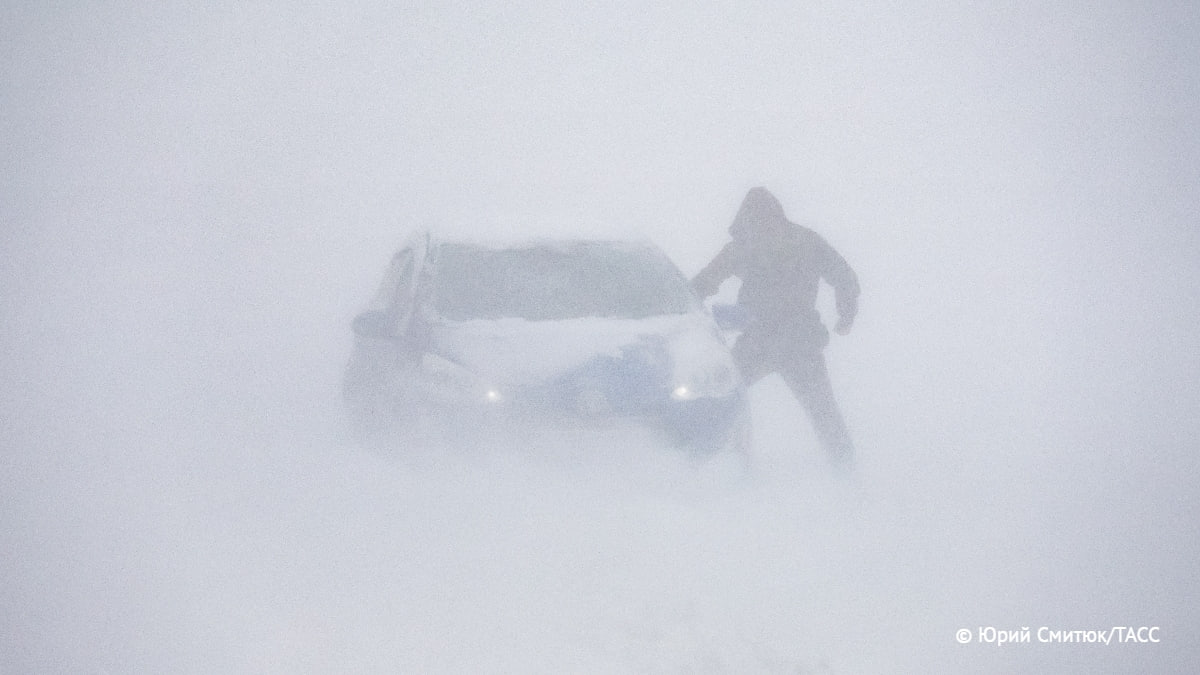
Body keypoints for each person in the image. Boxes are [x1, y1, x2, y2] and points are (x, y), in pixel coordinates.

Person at [692, 187, 859, 467]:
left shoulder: (744, 244)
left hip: (759, 341)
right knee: (823, 411)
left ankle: (712, 461)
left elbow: (707, 281)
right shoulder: (806, 240)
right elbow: (845, 277)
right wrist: (846, 315)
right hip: (801, 342)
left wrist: (680, 304)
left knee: (726, 400)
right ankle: (847, 469)